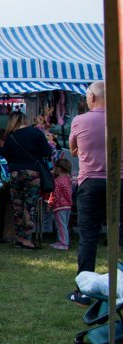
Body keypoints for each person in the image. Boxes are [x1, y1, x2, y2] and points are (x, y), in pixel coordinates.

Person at [68, 82, 123, 305]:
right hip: (118, 180)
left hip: (90, 181)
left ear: (91, 97)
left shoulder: (80, 121)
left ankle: (83, 290)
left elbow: (73, 149)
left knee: (88, 235)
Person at [1, 111, 52, 250]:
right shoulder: (36, 133)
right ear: (24, 119)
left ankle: (19, 238)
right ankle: (28, 240)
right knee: (30, 206)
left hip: (14, 174)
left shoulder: (10, 136)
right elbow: (48, 152)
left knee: (17, 206)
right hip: (32, 173)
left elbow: (5, 155)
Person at [0, 129, 14, 244]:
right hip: (11, 180)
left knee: (0, 210)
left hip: (0, 182)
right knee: (15, 209)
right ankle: (15, 234)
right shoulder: (11, 150)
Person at [48, 158, 73, 251]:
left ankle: (64, 243)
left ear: (58, 169)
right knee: (64, 225)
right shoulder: (68, 178)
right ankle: (61, 240)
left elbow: (54, 194)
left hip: (59, 206)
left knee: (60, 226)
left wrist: (49, 204)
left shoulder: (57, 181)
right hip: (68, 205)